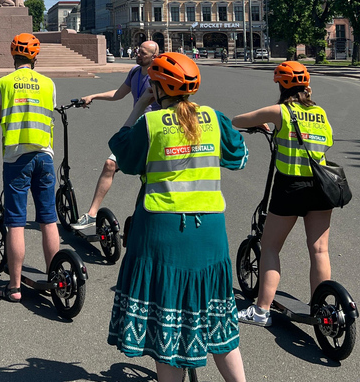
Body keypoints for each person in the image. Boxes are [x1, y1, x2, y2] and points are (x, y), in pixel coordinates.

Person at [107, 52, 248, 382]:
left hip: (162, 233)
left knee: (166, 330)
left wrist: (139, 106)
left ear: (157, 89)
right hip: (209, 233)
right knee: (218, 321)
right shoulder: (214, 118)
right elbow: (239, 157)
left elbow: (122, 154)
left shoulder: (151, 123)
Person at [233, 61, 334, 327]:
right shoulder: (320, 112)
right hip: (321, 186)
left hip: (290, 187)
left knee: (270, 246)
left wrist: (263, 124)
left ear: (281, 85)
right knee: (319, 250)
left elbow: (237, 120)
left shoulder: (281, 111)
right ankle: (322, 310)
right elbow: (327, 141)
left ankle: (261, 311)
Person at [0, 33, 60, 303]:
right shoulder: (48, 83)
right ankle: (54, 278)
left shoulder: (4, 83)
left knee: (16, 221)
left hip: (17, 157)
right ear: (35, 57)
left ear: (13, 55)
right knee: (48, 219)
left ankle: (15, 287)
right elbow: (50, 109)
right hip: (44, 155)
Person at [72, 40, 159, 229]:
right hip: (136, 131)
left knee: (151, 178)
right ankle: (92, 214)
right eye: (138, 51)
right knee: (110, 164)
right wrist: (93, 96)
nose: (138, 54)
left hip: (155, 134)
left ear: (154, 56)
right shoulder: (135, 72)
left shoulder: (158, 76)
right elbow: (119, 93)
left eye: (143, 53)